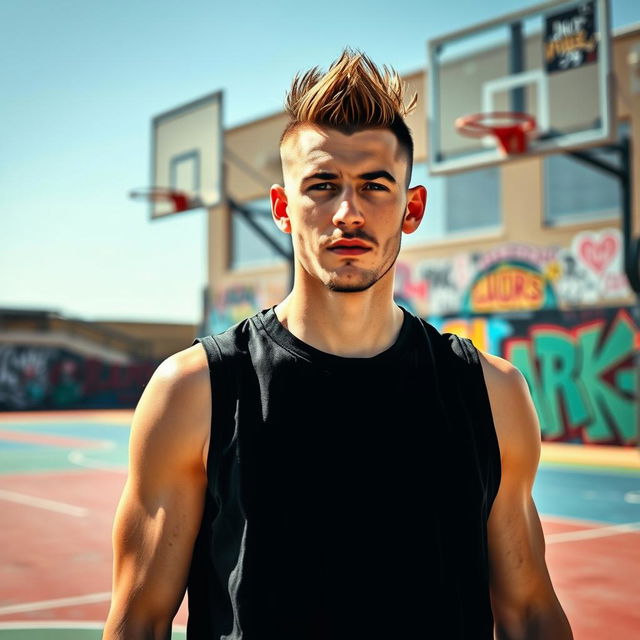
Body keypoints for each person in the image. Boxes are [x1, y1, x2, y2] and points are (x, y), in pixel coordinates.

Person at [103, 49, 573, 640]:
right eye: (322, 186)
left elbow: (529, 612)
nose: (347, 213)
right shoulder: (195, 391)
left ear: (413, 208)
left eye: (375, 186)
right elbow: (138, 622)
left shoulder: (490, 392)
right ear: (282, 208)